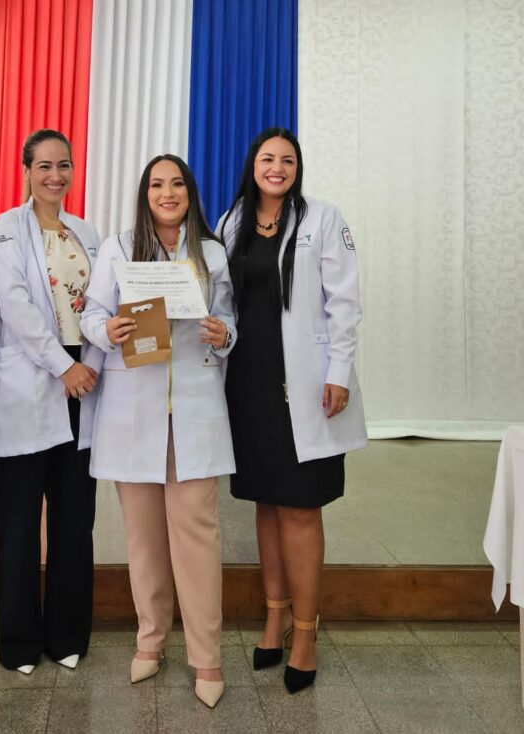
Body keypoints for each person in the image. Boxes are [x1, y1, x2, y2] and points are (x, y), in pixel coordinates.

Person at [81, 154, 236, 708]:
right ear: (145, 194)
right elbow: (90, 316)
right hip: (134, 409)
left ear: (190, 193)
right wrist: (109, 328)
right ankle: (150, 640)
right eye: (156, 185)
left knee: (197, 536)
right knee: (143, 539)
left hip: (193, 409)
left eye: (176, 184)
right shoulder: (120, 248)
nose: (167, 193)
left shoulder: (211, 253)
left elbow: (230, 319)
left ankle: (206, 656)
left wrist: (223, 333)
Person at [217, 127, 367, 694]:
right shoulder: (232, 221)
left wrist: (339, 371)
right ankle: (274, 617)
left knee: (301, 509)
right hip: (249, 384)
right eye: (267, 158)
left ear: (297, 168)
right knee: (265, 504)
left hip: (305, 386)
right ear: (252, 165)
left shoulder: (322, 219)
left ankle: (305, 632)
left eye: (287, 159)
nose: (277, 167)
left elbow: (345, 302)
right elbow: (224, 301)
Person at [0, 129, 103, 674]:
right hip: (31, 382)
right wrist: (63, 366)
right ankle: (19, 642)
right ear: (27, 171)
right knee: (18, 524)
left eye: (64, 165)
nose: (56, 175)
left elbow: (101, 303)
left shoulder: (87, 232)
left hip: (84, 383)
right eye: (45, 166)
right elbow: (16, 306)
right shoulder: (5, 230)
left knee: (75, 521)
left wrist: (88, 364)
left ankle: (68, 635)